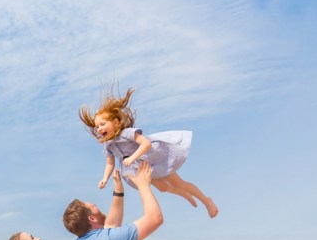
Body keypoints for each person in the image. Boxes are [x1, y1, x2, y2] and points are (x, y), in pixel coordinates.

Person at [79, 87, 218, 218]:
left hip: (151, 159)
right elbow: (110, 163)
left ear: (115, 123)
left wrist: (133, 157)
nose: (99, 129)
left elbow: (146, 143)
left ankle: (206, 200)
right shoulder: (108, 145)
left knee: (179, 183)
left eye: (102, 124)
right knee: (163, 188)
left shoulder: (126, 133)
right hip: (137, 168)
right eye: (97, 127)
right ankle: (184, 194)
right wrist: (105, 179)